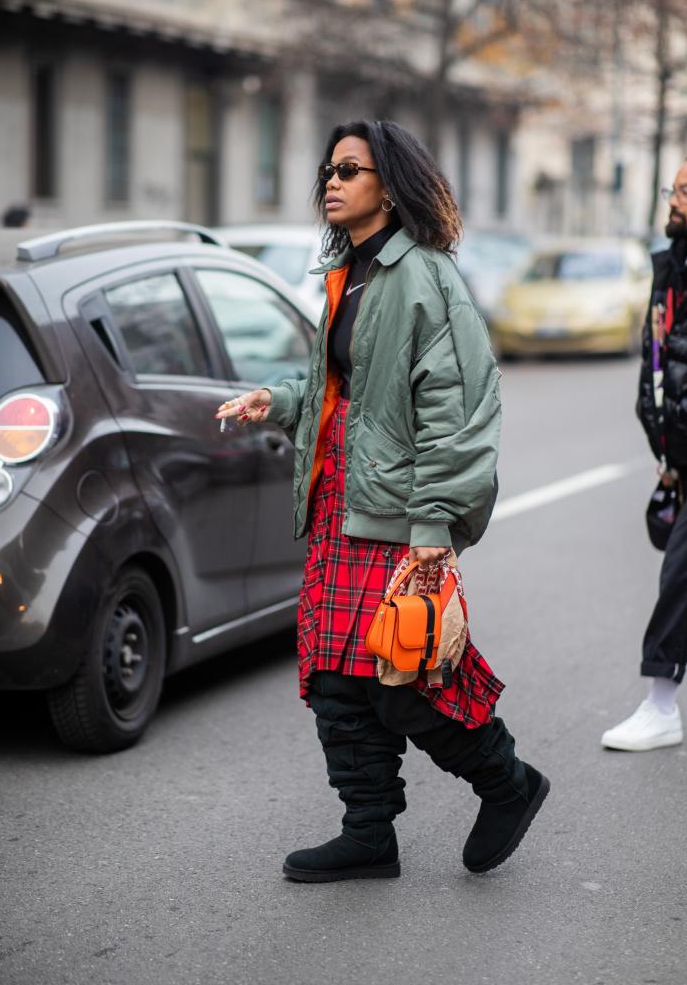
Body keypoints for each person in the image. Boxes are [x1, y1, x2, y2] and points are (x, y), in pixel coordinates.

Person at [217, 119, 549, 881]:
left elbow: (458, 412)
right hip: (341, 502)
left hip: (400, 512)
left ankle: (508, 783)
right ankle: (369, 833)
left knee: (406, 677)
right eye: (329, 169)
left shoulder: (423, 277)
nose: (331, 182)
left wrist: (433, 525)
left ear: (389, 187)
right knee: (335, 678)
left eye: (350, 170)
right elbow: (354, 394)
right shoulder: (348, 273)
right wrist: (279, 397)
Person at [602, 124, 687, 752]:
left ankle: (662, 705)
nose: (674, 201)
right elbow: (655, 359)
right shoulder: (671, 268)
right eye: (671, 189)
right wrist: (664, 441)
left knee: (685, 561)